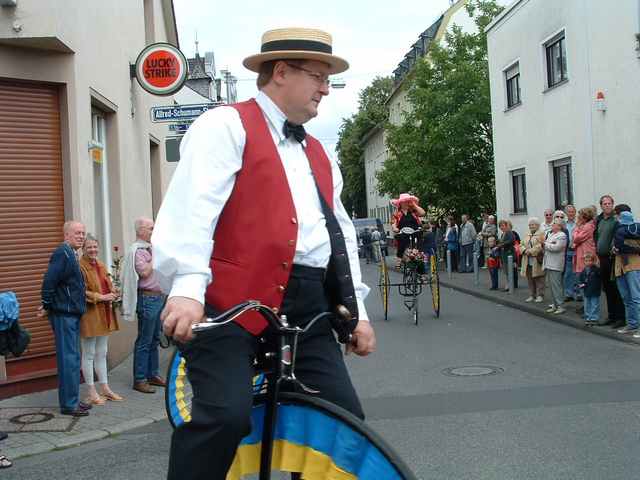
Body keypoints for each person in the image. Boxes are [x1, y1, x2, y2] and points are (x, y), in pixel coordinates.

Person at [151, 28, 376, 480]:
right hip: (229, 301)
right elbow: (193, 210)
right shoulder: (225, 125)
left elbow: (338, 237)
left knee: (343, 423)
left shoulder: (319, 153)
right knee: (225, 416)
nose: (325, 88)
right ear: (281, 72)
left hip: (308, 305)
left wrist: (358, 312)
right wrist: (188, 288)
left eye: (327, 78)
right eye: (318, 76)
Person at [40, 221, 91, 417]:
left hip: (71, 314)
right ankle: (69, 405)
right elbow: (49, 281)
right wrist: (47, 305)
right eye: (77, 233)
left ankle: (73, 400)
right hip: (64, 315)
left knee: (73, 358)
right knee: (68, 360)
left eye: (83, 233)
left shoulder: (71, 253)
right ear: (66, 234)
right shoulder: (62, 253)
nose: (81, 236)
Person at [121, 217, 166, 394]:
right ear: (140, 230)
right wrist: (156, 255)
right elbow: (145, 272)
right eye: (150, 228)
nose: (154, 231)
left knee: (154, 339)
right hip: (147, 299)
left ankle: (152, 374)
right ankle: (139, 379)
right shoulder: (137, 250)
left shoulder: (151, 248)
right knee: (144, 341)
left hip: (158, 297)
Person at [78, 234, 123, 405]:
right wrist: (102, 297)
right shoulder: (80, 267)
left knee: (102, 353)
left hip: (104, 314)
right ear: (83, 249)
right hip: (89, 315)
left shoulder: (101, 265)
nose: (93, 250)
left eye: (95, 247)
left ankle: (105, 388)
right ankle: (91, 391)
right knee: (89, 354)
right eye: (89, 247)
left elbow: (107, 285)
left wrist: (114, 291)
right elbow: (80, 291)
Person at [595, 195, 626, 328]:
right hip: (601, 258)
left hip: (612, 258)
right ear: (601, 206)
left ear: (612, 204)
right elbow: (596, 237)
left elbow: (617, 236)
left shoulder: (616, 220)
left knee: (616, 288)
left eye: (609, 203)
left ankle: (620, 318)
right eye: (605, 204)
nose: (607, 205)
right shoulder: (600, 220)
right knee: (607, 288)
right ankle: (611, 316)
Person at [612, 208, 640, 335]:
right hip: (620, 266)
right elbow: (616, 246)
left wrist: (622, 248)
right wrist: (614, 249)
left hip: (633, 266)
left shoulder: (631, 230)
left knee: (636, 297)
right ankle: (632, 324)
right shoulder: (619, 231)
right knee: (626, 298)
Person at [391, 193, 426, 269]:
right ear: (401, 203)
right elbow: (393, 223)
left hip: (415, 231)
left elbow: (423, 213)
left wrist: (414, 205)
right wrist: (395, 228)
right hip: (403, 232)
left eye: (408, 201)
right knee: (401, 240)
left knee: (419, 238)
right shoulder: (397, 213)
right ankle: (399, 259)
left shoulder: (413, 211)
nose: (407, 203)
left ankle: (419, 256)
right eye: (405, 201)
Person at [543, 219, 568, 314]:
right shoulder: (551, 234)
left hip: (556, 264)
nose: (552, 225)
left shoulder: (562, 235)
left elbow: (557, 248)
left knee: (556, 285)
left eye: (554, 224)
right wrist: (547, 244)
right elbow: (550, 246)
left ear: (559, 226)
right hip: (549, 263)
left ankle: (560, 305)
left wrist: (545, 244)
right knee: (551, 286)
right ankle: (554, 304)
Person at [520, 217, 545, 303]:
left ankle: (540, 295)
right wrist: (524, 250)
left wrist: (530, 251)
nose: (531, 226)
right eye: (530, 225)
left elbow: (540, 246)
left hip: (536, 260)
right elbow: (521, 244)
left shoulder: (541, 234)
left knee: (539, 278)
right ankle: (532, 295)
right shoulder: (527, 234)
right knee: (530, 279)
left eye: (533, 224)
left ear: (537, 225)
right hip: (527, 260)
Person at [577, 252, 602, 326]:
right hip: (587, 290)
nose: (588, 262)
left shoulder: (596, 269)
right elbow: (581, 278)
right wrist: (581, 284)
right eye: (586, 261)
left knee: (594, 304)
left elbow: (600, 275)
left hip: (595, 290)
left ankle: (594, 318)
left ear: (593, 261)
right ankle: (588, 317)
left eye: (590, 261)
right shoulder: (584, 270)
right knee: (587, 305)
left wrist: (598, 266)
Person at [493, 220, 516, 291]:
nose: (501, 227)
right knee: (505, 270)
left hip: (509, 253)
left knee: (508, 270)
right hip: (504, 254)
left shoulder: (509, 232)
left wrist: (499, 246)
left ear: (506, 226)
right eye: (500, 226)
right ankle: (508, 284)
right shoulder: (503, 233)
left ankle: (509, 286)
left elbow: (510, 241)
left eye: (503, 225)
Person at [563, 205, 578, 301]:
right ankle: (569, 293)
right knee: (568, 273)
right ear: (566, 213)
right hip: (567, 250)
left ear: (575, 213)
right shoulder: (564, 225)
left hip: (577, 250)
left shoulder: (579, 223)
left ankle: (579, 293)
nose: (571, 214)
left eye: (573, 212)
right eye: (569, 212)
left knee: (578, 273)